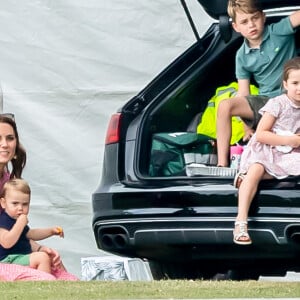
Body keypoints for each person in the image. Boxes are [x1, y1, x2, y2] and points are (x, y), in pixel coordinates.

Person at [216, 0, 300, 167]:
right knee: (225, 106)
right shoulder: (241, 55)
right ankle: (222, 165)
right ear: (236, 27)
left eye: (255, 18)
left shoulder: (279, 31)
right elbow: (244, 94)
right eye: (244, 22)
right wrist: (246, 127)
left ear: (263, 17)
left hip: (293, 96)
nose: (251, 25)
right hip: (266, 103)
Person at [0, 114, 77, 280]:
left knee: (67, 277)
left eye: (10, 138)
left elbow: (20, 233)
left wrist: (40, 249)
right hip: (4, 259)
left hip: (13, 255)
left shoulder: (9, 182)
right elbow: (6, 238)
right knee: (46, 279)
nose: (4, 144)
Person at [233, 56, 300, 245]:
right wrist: (289, 140)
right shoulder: (278, 103)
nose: (299, 88)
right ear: (285, 84)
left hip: (290, 152)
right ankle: (241, 222)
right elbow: (261, 134)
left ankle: (244, 177)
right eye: (295, 83)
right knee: (256, 169)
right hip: (267, 148)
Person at [0, 178, 64, 273]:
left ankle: (68, 281)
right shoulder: (3, 220)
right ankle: (44, 282)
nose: (20, 208)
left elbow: (31, 234)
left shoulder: (16, 219)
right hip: (8, 260)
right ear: (3, 203)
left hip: (22, 257)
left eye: (25, 204)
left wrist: (50, 231)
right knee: (42, 257)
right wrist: (20, 224)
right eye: (15, 203)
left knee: (51, 257)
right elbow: (6, 242)